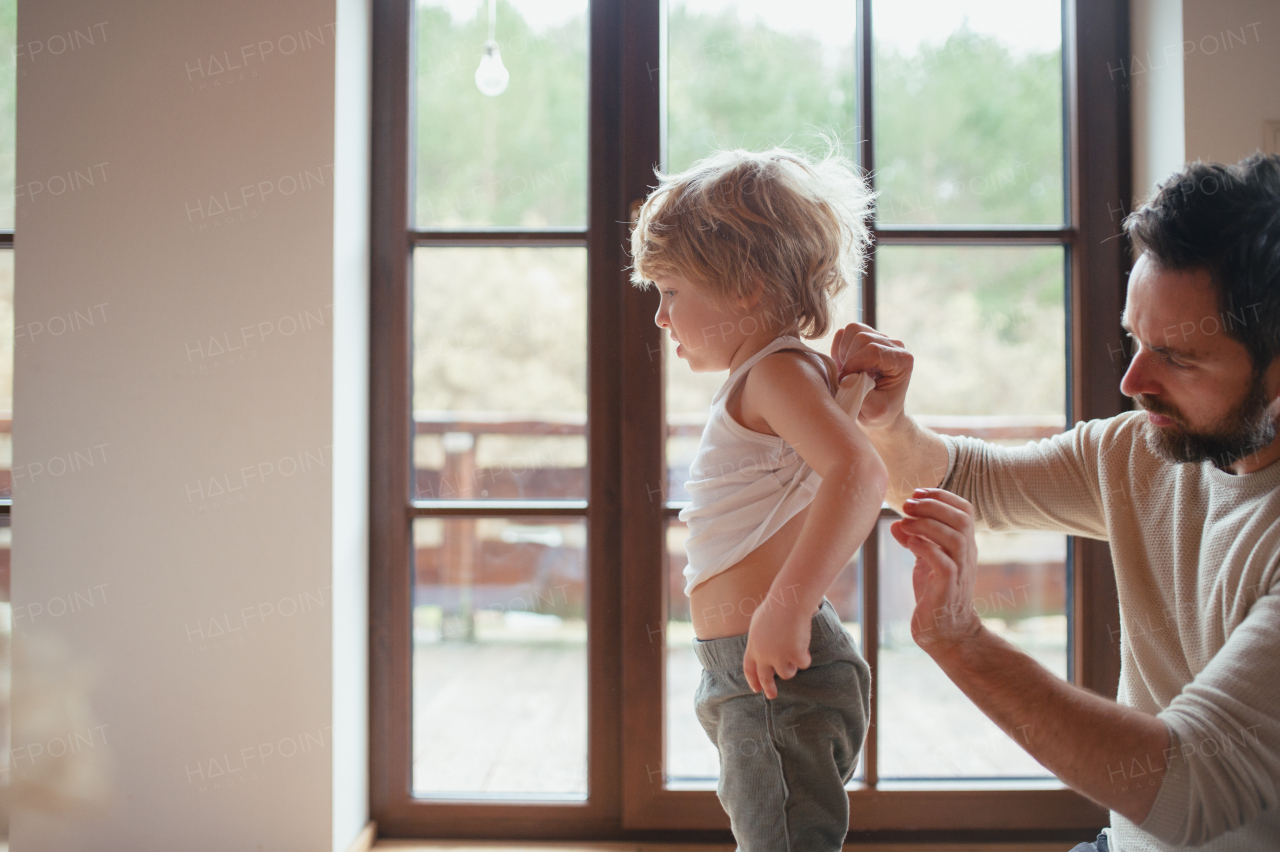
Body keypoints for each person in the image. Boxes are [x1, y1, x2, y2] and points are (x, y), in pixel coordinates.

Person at [833, 152, 1280, 851]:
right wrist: (887, 425)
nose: (1134, 379)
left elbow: (1191, 787)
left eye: (1178, 358)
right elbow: (962, 482)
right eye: (1136, 339)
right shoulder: (1142, 450)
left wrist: (962, 643)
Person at [630, 147, 887, 851]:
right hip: (746, 663)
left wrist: (787, 605)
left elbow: (858, 475)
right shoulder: (779, 376)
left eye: (672, 291)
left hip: (772, 664)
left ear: (744, 286)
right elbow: (812, 474)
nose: (661, 316)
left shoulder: (774, 374)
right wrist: (853, 391)